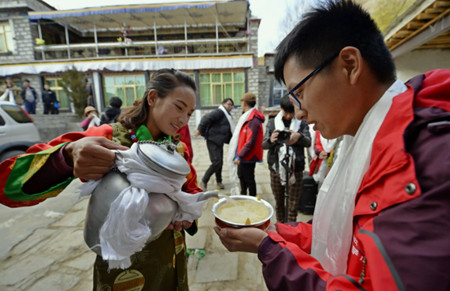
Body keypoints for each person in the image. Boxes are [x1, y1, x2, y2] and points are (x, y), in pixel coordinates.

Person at [215, 1, 450, 290]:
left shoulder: (424, 161)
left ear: (349, 66)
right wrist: (276, 234)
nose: (299, 111)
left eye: (299, 92)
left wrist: (272, 251)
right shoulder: (368, 138)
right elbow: (342, 235)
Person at [0, 69, 203, 290]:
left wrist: (188, 214)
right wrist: (66, 157)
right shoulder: (109, 137)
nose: (183, 120)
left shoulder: (176, 149)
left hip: (171, 254)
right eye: (179, 107)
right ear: (153, 98)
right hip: (123, 266)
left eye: (190, 114)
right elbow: (7, 184)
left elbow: (190, 188)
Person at [262, 95, 311, 223]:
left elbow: (309, 142)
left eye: (292, 112)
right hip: (276, 168)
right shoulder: (273, 123)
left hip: (296, 168)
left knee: (293, 204)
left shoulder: (302, 123)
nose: (289, 116)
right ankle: (280, 227)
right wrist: (271, 140)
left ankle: (291, 229)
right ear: (281, 108)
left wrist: (298, 136)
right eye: (286, 112)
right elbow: (264, 145)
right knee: (278, 202)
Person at [228, 92, 264, 196]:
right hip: (244, 154)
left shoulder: (253, 120)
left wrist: (239, 157)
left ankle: (252, 199)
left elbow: (250, 142)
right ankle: (243, 195)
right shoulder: (247, 117)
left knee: (248, 179)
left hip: (248, 155)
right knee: (241, 176)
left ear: (244, 103)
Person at [196, 98, 235, 190]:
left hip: (219, 141)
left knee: (220, 162)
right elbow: (206, 118)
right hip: (212, 140)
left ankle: (219, 181)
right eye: (229, 104)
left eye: (232, 106)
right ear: (223, 104)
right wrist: (200, 129)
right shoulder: (219, 112)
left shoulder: (227, 115)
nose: (230, 107)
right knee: (216, 162)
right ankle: (204, 181)